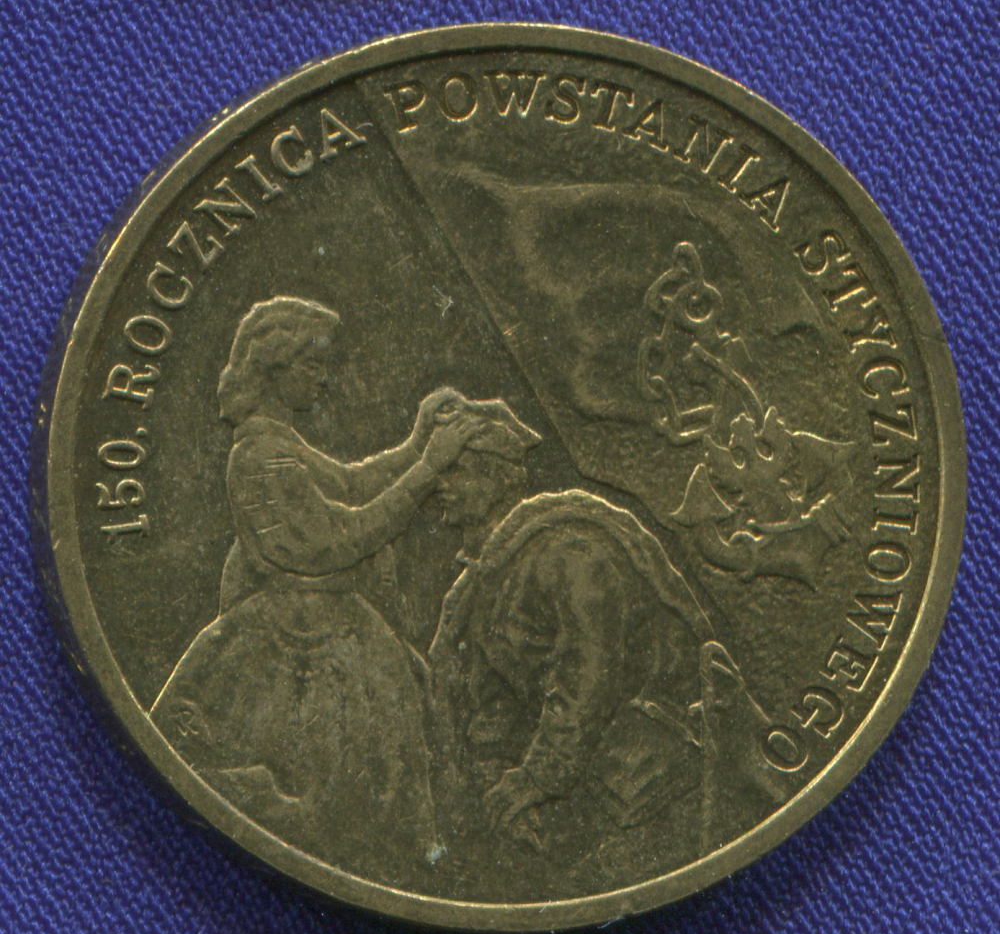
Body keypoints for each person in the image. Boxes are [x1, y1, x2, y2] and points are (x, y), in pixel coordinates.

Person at [150, 295, 481, 883]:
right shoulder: (261, 457)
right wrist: (429, 467)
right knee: (337, 803)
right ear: (275, 367)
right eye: (312, 365)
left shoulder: (280, 443)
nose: (323, 379)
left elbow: (349, 483)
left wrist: (416, 443)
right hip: (295, 649)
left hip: (334, 631)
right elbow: (339, 540)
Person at [426, 399, 715, 900]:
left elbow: (590, 674)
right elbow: (492, 695)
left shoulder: (569, 553)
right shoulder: (484, 575)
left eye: (455, 471)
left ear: (494, 478)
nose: (440, 486)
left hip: (645, 779)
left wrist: (538, 778)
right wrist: (496, 783)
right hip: (575, 779)